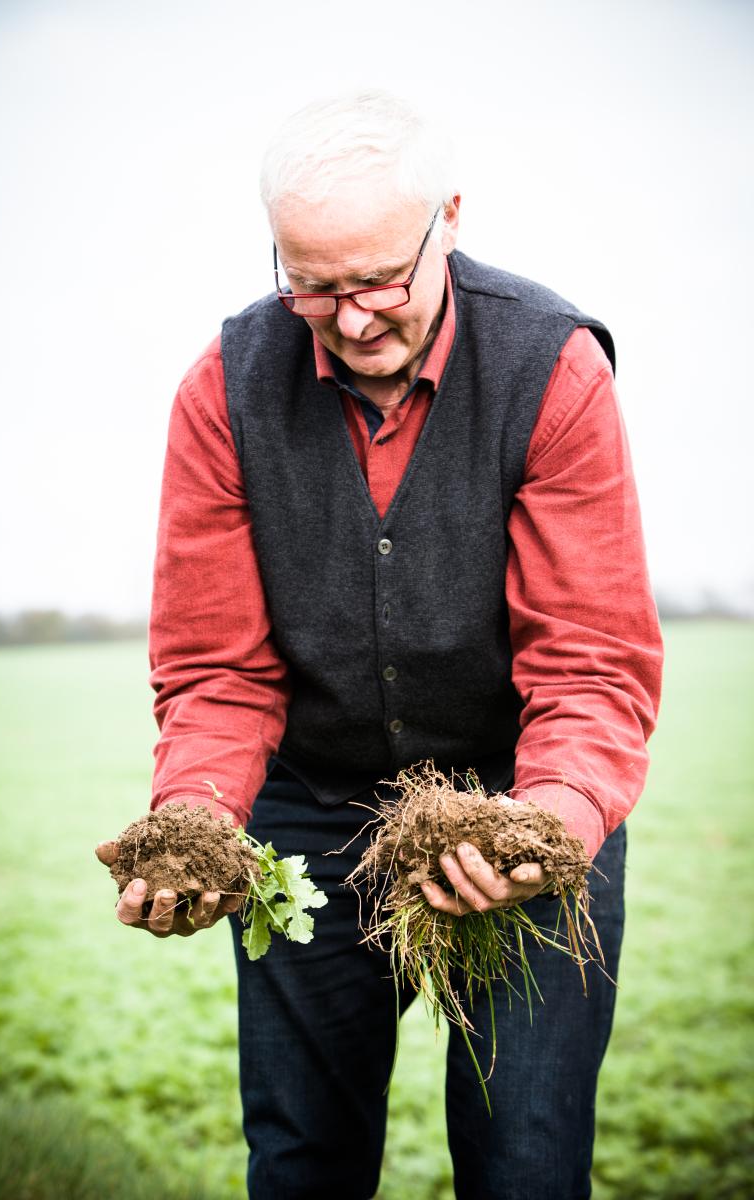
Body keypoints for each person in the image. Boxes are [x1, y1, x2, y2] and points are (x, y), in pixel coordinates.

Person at [96, 91, 663, 1199]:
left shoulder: (551, 370)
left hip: (518, 794)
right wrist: (197, 820)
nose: (350, 319)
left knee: (525, 1160)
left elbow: (588, 662)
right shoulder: (223, 390)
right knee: (303, 1159)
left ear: (447, 219)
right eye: (311, 285)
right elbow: (219, 668)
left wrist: (544, 825)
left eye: (378, 283)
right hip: (310, 807)